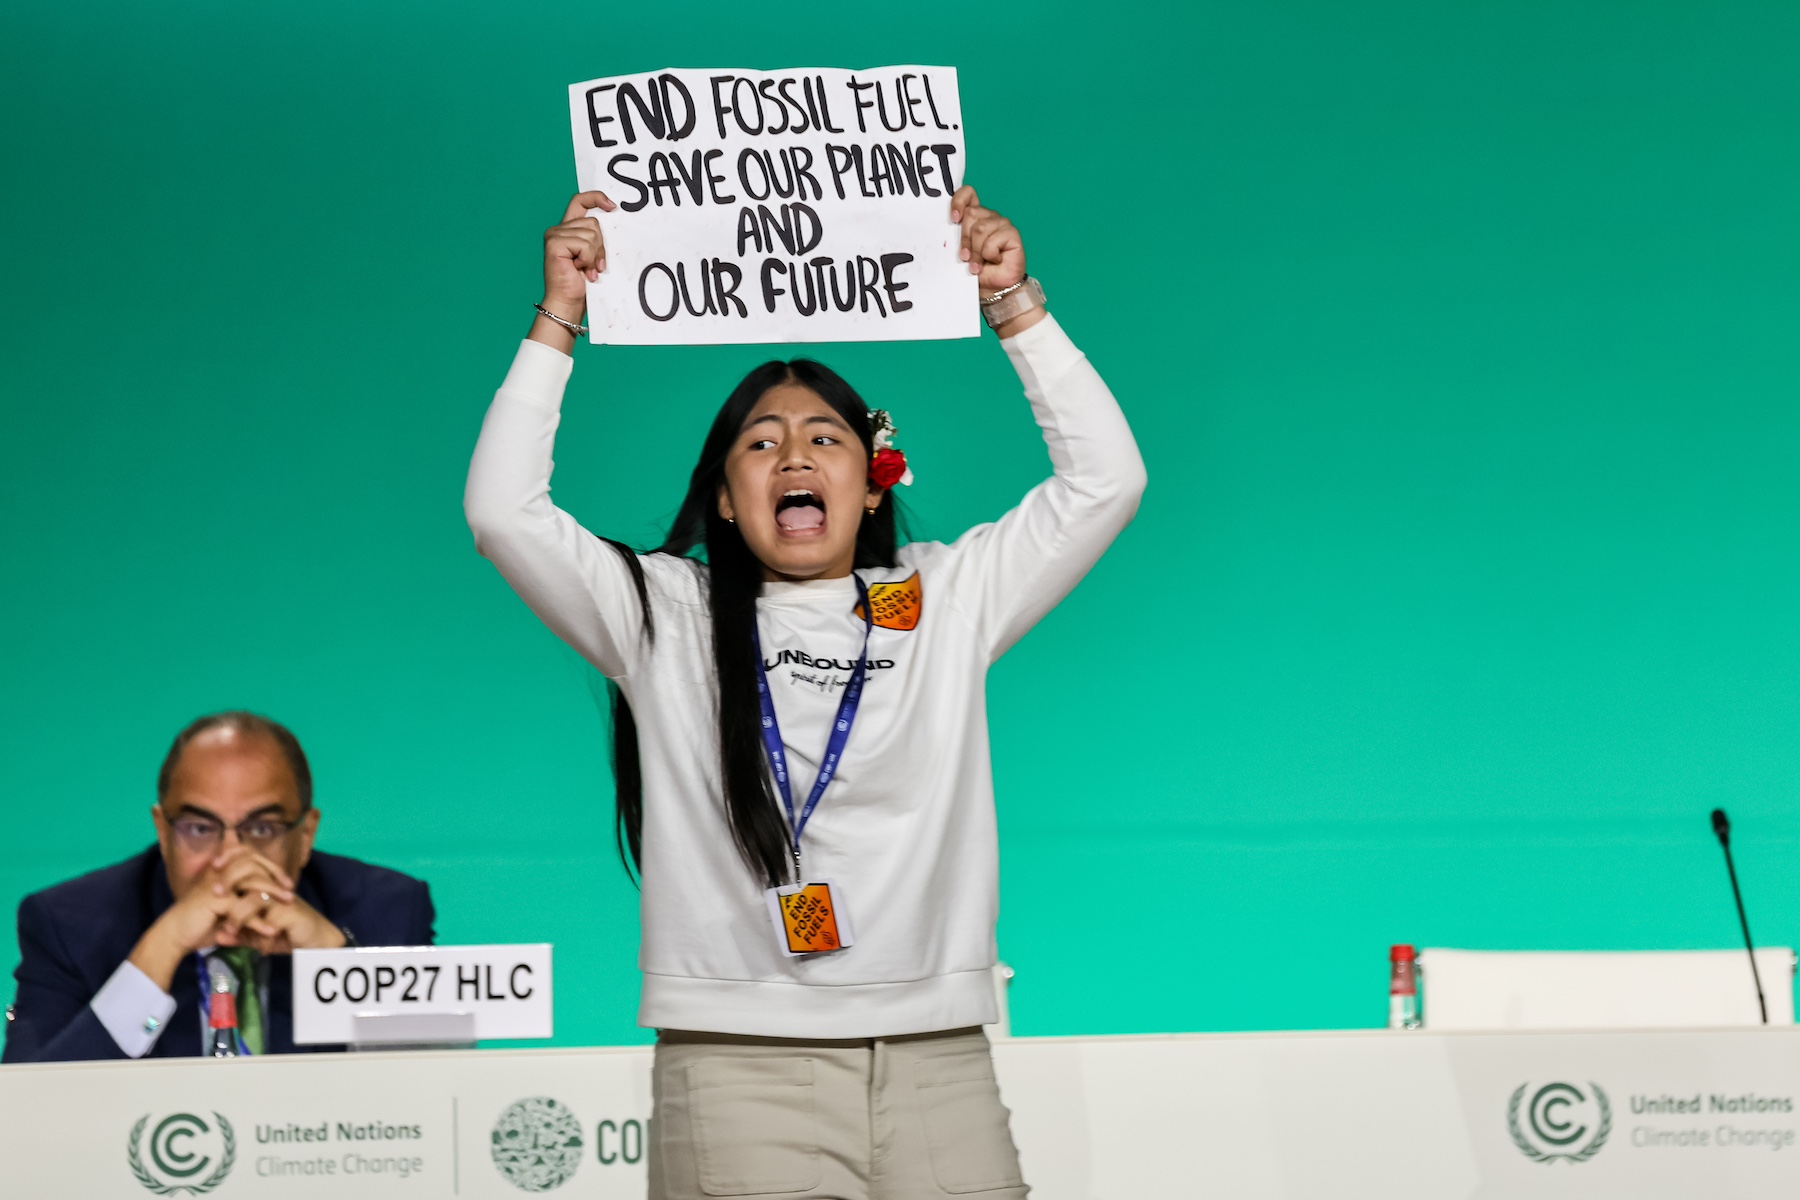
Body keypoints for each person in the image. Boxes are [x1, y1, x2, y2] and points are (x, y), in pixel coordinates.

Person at [464, 185, 1145, 1199]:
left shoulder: (943, 596)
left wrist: (1016, 306)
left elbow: (1108, 482)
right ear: (729, 501)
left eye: (825, 438)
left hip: (936, 1060)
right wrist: (560, 314)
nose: (793, 454)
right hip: (737, 1067)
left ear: (874, 482)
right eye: (760, 441)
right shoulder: (664, 611)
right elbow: (503, 512)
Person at [2, 712, 435, 1062]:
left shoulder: (386, 912)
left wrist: (337, 967)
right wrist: (161, 950)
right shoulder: (70, 924)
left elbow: (442, 1092)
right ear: (163, 830)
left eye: (262, 828)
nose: (231, 859)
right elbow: (27, 1113)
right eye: (200, 828)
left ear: (304, 838)